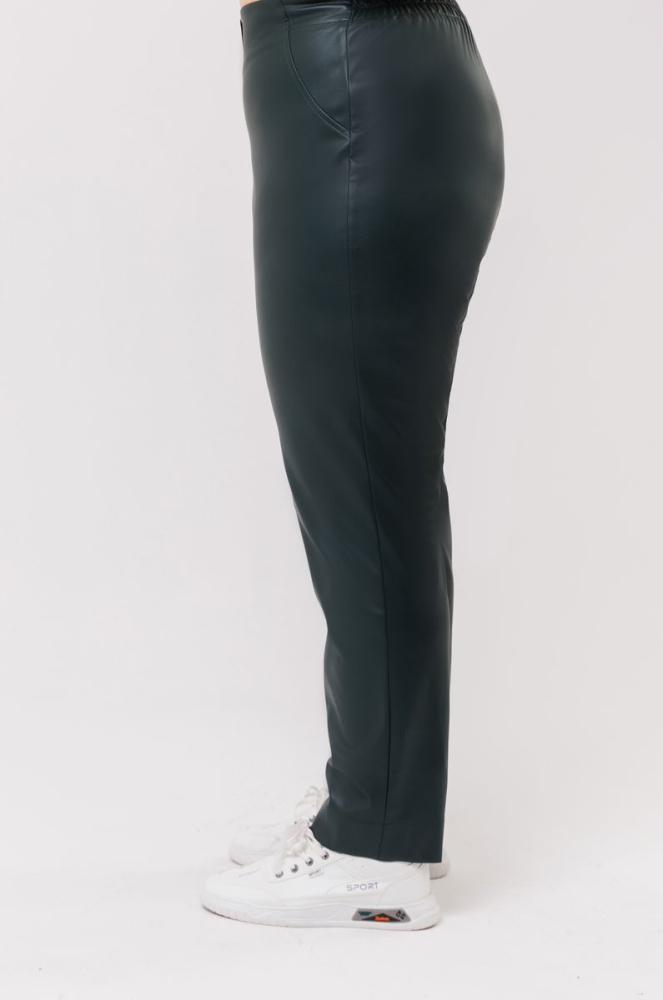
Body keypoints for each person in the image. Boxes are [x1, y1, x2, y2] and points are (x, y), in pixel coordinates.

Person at [202, 0, 504, 930]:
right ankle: (384, 805)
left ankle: (373, 850)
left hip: (347, 74)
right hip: (372, 73)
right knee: (376, 480)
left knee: (362, 486)